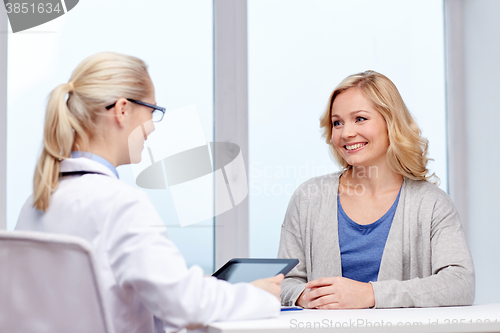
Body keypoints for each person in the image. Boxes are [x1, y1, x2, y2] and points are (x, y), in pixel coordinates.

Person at [15, 52, 283, 333]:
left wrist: (188, 284)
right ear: (122, 109)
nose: (153, 127)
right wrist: (259, 297)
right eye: (152, 111)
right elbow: (184, 305)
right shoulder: (120, 203)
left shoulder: (34, 204)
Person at [278, 70, 475, 309]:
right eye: (337, 122)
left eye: (360, 118)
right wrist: (301, 296)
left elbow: (460, 284)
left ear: (391, 122)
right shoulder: (308, 198)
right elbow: (285, 283)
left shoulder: (431, 204)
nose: (346, 133)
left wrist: (370, 294)